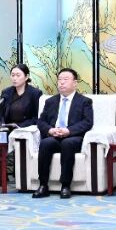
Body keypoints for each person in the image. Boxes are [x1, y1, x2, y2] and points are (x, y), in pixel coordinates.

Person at [32, 68, 94, 199]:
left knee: (67, 143)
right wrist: (50, 130)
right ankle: (43, 185)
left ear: (75, 83)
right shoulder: (50, 101)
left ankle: (65, 185)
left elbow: (88, 122)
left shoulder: (84, 101)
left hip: (73, 137)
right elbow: (41, 121)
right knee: (45, 143)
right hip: (54, 136)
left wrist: (69, 131)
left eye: (66, 79)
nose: (61, 82)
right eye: (59, 79)